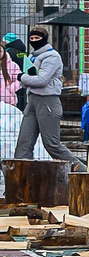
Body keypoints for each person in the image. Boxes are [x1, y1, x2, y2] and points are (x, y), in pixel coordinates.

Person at [10, 28, 71, 162]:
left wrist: (22, 77)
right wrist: (25, 80)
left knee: (51, 144)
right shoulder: (33, 56)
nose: (34, 41)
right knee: (24, 143)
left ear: (45, 38)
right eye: (32, 39)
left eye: (37, 38)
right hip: (32, 100)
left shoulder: (52, 56)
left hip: (47, 101)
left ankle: (80, 170)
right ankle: (22, 173)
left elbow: (42, 80)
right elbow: (32, 79)